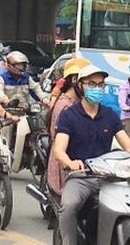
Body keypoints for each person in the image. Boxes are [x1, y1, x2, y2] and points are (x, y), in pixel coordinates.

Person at [52, 63, 130, 245]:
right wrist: (70, 162)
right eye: (91, 84)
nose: (97, 88)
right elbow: (59, 151)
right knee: (69, 207)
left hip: (110, 177)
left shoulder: (109, 115)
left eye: (101, 84)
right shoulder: (69, 115)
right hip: (81, 177)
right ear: (81, 86)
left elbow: (129, 146)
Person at [45, 56, 88, 199]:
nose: (92, 88)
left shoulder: (80, 102)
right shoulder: (65, 106)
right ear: (75, 80)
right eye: (89, 82)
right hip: (66, 166)